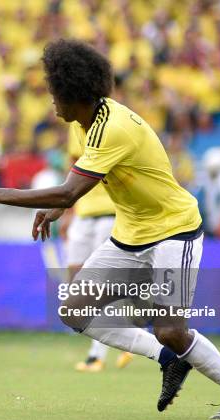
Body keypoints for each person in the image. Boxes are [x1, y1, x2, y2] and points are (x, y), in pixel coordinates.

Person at [0, 39, 220, 420]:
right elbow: (80, 181)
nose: (51, 102)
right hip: (131, 233)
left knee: (171, 329)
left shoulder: (113, 128)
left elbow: (70, 189)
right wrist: (56, 208)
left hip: (173, 230)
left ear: (73, 95)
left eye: (55, 94)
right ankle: (167, 359)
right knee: (74, 310)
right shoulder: (88, 122)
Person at [63, 123, 132, 373]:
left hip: (109, 213)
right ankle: (126, 332)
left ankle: (96, 355)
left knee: (97, 284)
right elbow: (73, 169)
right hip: (84, 213)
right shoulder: (76, 126)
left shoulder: (114, 125)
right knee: (76, 282)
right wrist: (68, 210)